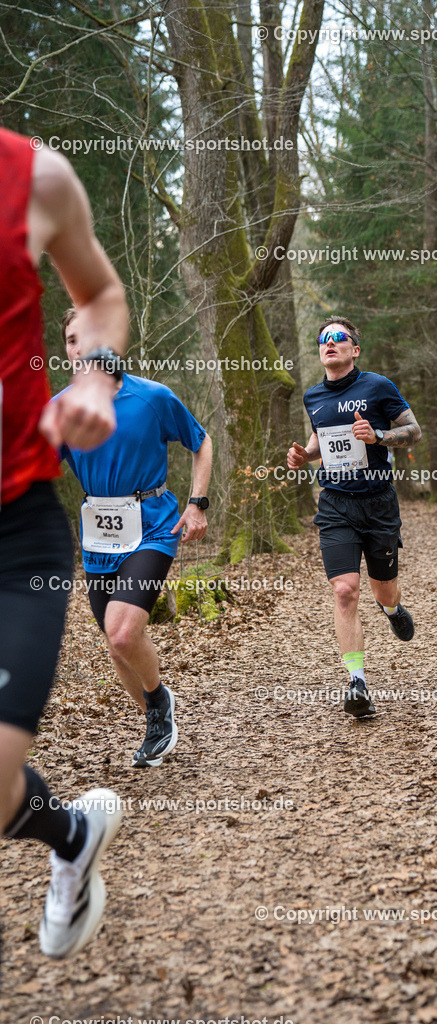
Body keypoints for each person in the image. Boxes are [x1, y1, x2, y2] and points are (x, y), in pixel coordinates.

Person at [0, 127, 128, 958]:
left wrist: (93, 380)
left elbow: (102, 293)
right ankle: (72, 835)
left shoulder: (35, 177)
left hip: (14, 532)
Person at [58, 310, 213, 768]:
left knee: (124, 633)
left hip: (152, 526)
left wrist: (197, 503)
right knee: (115, 643)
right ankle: (155, 717)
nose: (79, 348)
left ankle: (158, 700)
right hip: (98, 536)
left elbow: (201, 442)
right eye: (70, 340)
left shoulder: (152, 397)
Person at [287, 317, 422, 718]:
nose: (329, 343)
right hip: (335, 503)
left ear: (354, 349)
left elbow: (414, 430)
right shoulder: (313, 396)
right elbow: (320, 440)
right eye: (323, 339)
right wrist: (304, 455)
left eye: (338, 337)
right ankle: (357, 683)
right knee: (345, 590)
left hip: (378, 503)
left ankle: (393, 611)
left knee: (384, 591)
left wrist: (378, 436)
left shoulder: (378, 386)